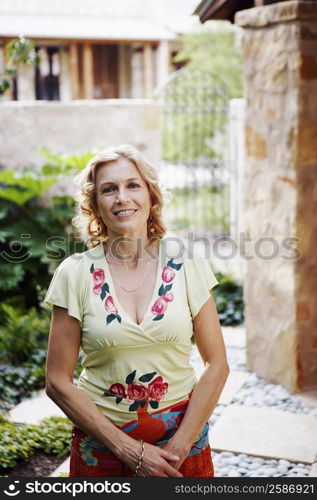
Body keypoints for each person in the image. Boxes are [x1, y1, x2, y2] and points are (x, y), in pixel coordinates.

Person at [44, 144, 229, 477]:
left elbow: (217, 364)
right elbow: (57, 381)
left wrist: (179, 448)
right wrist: (126, 449)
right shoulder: (74, 273)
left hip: (181, 446)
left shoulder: (186, 262)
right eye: (108, 189)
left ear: (151, 196)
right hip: (103, 448)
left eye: (133, 185)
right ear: (95, 204)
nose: (122, 198)